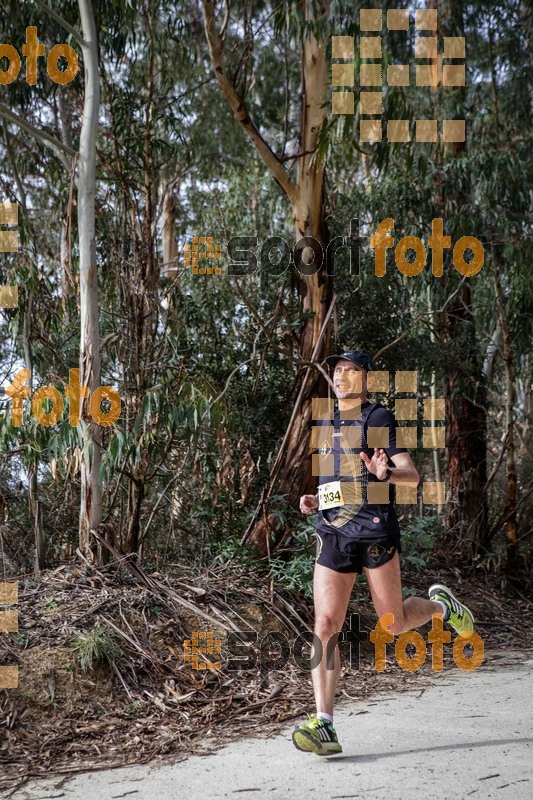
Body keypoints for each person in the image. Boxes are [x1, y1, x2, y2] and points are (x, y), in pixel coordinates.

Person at [291, 349, 474, 756]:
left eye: (351, 371)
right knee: (325, 623)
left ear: (365, 380)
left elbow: (411, 476)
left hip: (375, 532)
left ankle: (443, 608)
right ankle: (324, 723)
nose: (341, 377)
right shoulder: (325, 421)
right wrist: (314, 501)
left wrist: (385, 472)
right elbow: (339, 482)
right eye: (337, 371)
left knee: (392, 623)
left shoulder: (378, 418)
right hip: (334, 532)